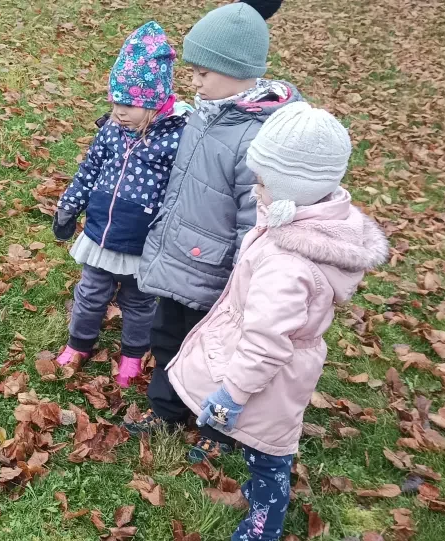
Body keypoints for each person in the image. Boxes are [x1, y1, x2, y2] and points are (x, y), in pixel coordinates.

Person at [133, 103, 389, 540]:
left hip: (266, 379)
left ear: (294, 188)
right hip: (279, 370)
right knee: (267, 446)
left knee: (268, 452)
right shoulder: (304, 224)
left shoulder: (286, 264)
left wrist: (231, 395)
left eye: (264, 182)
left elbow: (266, 342)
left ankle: (263, 524)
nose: (255, 190)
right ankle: (263, 495)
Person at [130, 2, 303, 412]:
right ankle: (165, 410)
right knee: (166, 336)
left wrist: (244, 273)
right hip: (179, 256)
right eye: (193, 71)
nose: (194, 82)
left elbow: (253, 216)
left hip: (214, 272)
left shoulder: (254, 137)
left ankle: (207, 415)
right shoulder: (205, 114)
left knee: (208, 347)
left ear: (237, 70)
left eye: (203, 73)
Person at [51, 21, 188, 388]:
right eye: (115, 102)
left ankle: (132, 354)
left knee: (139, 302)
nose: (119, 111)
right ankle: (79, 343)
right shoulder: (112, 129)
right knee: (90, 293)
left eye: (129, 104)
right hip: (101, 234)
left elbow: (181, 191)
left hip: (144, 243)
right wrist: (70, 205)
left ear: (155, 102)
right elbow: (90, 168)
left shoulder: (177, 138)